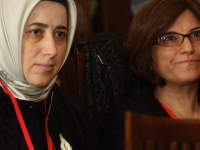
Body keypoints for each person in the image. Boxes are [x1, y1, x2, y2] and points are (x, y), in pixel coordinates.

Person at [100, 0, 200, 149]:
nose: (188, 47)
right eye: (169, 38)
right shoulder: (128, 119)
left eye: (196, 34)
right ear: (146, 55)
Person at [0, 0, 98, 150]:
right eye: (36, 31)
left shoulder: (73, 109)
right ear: (6, 35)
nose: (52, 50)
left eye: (60, 34)